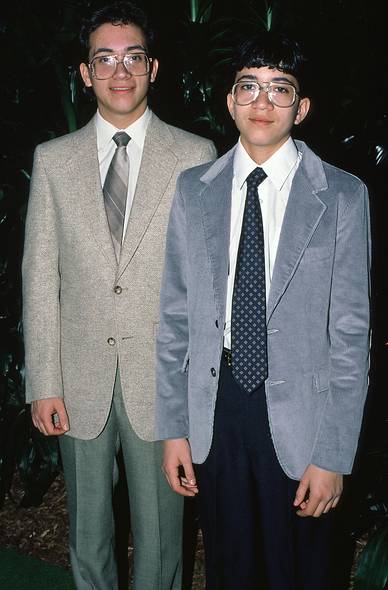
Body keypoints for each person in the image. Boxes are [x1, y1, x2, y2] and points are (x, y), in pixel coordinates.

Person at [156, 31, 371, 589]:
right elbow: (174, 316)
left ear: (300, 109)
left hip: (303, 412)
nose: (261, 102)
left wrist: (334, 455)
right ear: (229, 101)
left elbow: (351, 334)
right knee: (231, 563)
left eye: (280, 90)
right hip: (219, 403)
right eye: (248, 87)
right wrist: (174, 428)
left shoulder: (343, 196)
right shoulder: (193, 190)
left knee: (302, 566)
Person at [22, 2, 216, 589]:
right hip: (77, 381)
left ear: (153, 67)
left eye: (133, 57)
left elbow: (205, 287)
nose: (120, 71)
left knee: (162, 541)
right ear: (86, 74)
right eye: (104, 59)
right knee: (88, 535)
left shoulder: (194, 157)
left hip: (161, 384)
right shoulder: (53, 162)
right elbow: (39, 278)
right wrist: (44, 382)